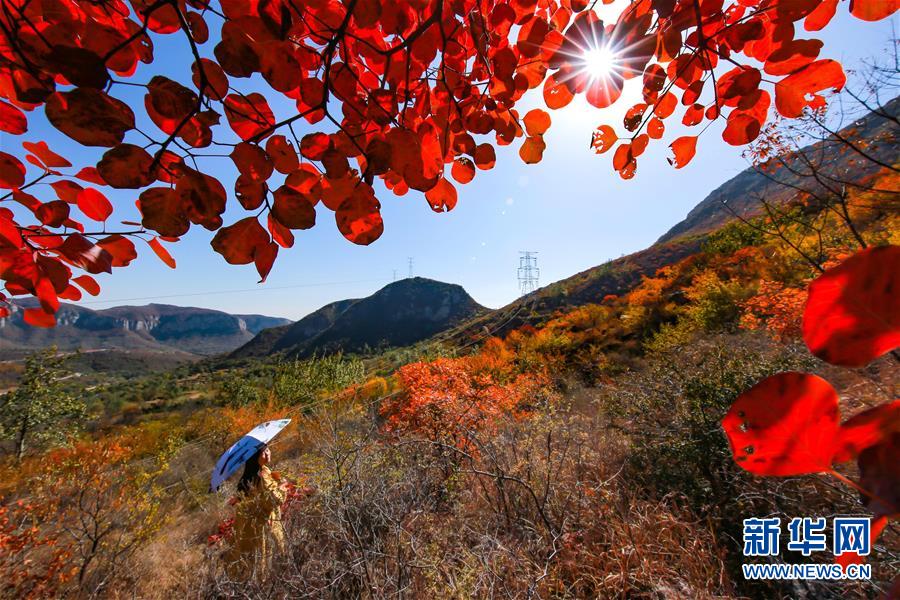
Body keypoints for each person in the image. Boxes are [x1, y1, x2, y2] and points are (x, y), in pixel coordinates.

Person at [223, 445, 287, 581]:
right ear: (254, 457)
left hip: (249, 525)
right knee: (265, 557)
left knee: (250, 557)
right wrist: (282, 487)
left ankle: (247, 580)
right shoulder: (263, 474)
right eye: (263, 452)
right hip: (263, 524)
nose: (268, 454)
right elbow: (274, 500)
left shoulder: (251, 473)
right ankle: (264, 583)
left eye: (268, 450)